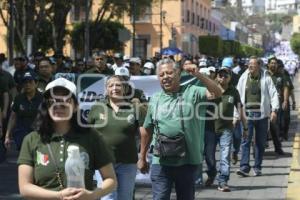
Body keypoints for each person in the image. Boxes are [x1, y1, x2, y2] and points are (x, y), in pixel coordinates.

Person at [17, 77, 117, 199]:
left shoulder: (92, 136)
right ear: (46, 107)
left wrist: (93, 194)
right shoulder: (31, 139)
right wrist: (58, 195)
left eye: (65, 100)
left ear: (75, 106)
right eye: (52, 101)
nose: (58, 106)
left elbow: (111, 179)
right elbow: (24, 187)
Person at [138, 58, 222, 200]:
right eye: (161, 74)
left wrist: (199, 75)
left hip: (187, 162)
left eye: (169, 73)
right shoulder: (155, 99)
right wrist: (142, 157)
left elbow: (217, 92)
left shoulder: (193, 92)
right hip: (161, 161)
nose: (165, 77)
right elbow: (147, 130)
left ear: (178, 74)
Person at [88, 75, 145, 200]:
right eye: (111, 85)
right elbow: (88, 134)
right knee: (108, 197)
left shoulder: (133, 108)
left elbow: (143, 133)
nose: (115, 88)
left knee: (125, 197)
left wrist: (142, 156)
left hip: (127, 162)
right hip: (103, 162)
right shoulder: (97, 107)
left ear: (124, 88)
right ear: (106, 89)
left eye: (118, 85)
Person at [204, 66, 248, 192]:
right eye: (220, 75)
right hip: (209, 129)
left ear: (230, 78)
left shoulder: (233, 91)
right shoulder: (209, 88)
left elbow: (240, 109)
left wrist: (245, 128)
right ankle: (212, 173)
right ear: (216, 76)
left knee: (224, 156)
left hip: (226, 129)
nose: (222, 77)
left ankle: (223, 181)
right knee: (209, 157)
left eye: (225, 75)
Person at [236, 56, 279, 177]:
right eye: (249, 64)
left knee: (260, 142)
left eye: (253, 64)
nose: (250, 66)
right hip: (247, 116)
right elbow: (237, 96)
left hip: (262, 116)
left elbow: (274, 93)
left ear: (259, 65)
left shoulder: (266, 78)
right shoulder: (243, 78)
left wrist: (274, 110)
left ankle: (257, 167)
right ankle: (244, 167)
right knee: (245, 141)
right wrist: (236, 115)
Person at [4, 71, 43, 151]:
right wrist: (7, 136)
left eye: (30, 82)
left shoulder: (42, 98)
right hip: (21, 134)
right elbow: (12, 117)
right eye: (25, 82)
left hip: (38, 134)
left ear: (36, 83)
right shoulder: (19, 98)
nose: (27, 85)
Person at [267, 57, 287, 154]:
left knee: (274, 127)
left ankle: (277, 147)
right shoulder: (264, 75)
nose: (273, 65)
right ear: (268, 64)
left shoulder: (281, 76)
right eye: (272, 63)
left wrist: (285, 101)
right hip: (264, 105)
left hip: (275, 105)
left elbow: (285, 88)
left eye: (275, 63)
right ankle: (261, 146)